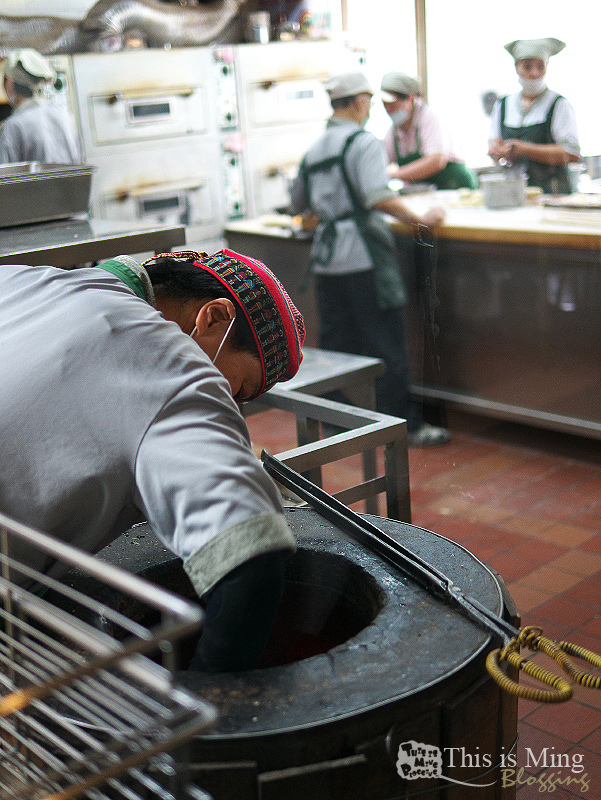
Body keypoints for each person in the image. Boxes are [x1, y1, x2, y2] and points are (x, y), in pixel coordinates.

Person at [0, 249, 306, 673]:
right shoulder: (169, 371)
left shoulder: (24, 281)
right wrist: (214, 711)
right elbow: (251, 557)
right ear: (214, 317)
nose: (228, 403)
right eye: (237, 389)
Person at [289, 71, 450, 447]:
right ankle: (404, 429)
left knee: (338, 348)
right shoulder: (363, 143)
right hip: (363, 258)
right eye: (370, 101)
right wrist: (421, 217)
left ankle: (338, 424)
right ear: (360, 101)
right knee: (386, 344)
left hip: (328, 262)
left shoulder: (314, 149)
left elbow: (298, 205)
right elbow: (378, 196)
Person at [488, 38, 580, 194]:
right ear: (517, 68)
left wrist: (524, 149)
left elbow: (571, 153)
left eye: (540, 67)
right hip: (515, 191)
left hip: (554, 192)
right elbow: (494, 143)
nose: (534, 73)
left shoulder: (558, 104)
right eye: (527, 67)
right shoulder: (503, 105)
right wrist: (497, 150)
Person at [381, 71, 477, 190]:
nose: (388, 110)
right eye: (385, 105)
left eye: (393, 105)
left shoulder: (429, 117)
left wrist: (395, 174)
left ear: (410, 99)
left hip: (455, 187)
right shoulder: (393, 132)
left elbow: (437, 160)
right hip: (428, 193)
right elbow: (383, 160)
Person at [0, 47, 82, 164]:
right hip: (72, 183)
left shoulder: (14, 126)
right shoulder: (66, 116)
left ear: (9, 84)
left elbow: (6, 177)